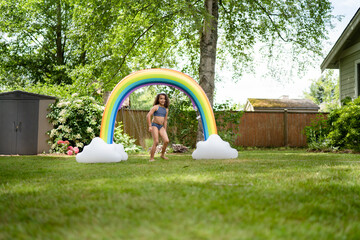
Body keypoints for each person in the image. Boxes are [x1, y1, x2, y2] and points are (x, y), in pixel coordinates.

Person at [146, 93, 170, 162]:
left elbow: (165, 120)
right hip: (154, 125)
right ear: (158, 99)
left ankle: (162, 155)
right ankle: (151, 158)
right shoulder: (156, 107)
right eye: (161, 98)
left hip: (161, 126)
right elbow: (148, 115)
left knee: (166, 140)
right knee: (156, 141)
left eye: (164, 99)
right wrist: (150, 126)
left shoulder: (166, 109)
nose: (163, 100)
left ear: (166, 100)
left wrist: (165, 129)